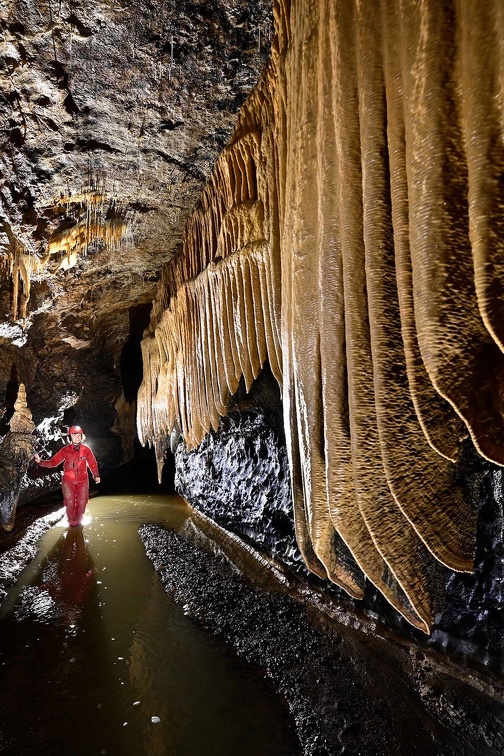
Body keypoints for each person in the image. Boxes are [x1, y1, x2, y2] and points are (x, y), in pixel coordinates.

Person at [34, 425, 100, 526]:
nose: (77, 437)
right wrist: (41, 462)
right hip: (68, 481)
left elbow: (92, 463)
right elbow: (53, 462)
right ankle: (72, 523)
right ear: (70, 437)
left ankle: (79, 519)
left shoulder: (86, 450)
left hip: (83, 480)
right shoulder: (65, 450)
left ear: (82, 436)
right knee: (70, 502)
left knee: (82, 502)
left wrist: (96, 475)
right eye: (74, 435)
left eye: (79, 435)